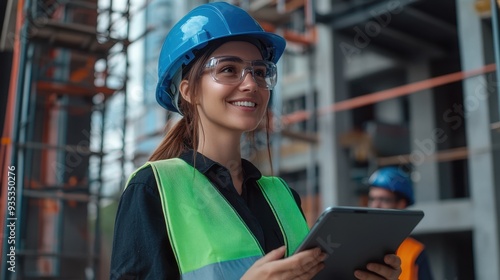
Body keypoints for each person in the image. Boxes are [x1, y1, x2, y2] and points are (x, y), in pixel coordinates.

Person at [110, 2, 402, 279]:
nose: (251, 83)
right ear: (189, 91)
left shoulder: (282, 195)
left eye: (259, 72)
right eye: (228, 69)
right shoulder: (153, 188)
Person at [367, 166, 434, 280]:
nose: (375, 206)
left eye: (383, 199)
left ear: (401, 204)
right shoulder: (358, 242)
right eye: (372, 199)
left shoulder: (414, 251)